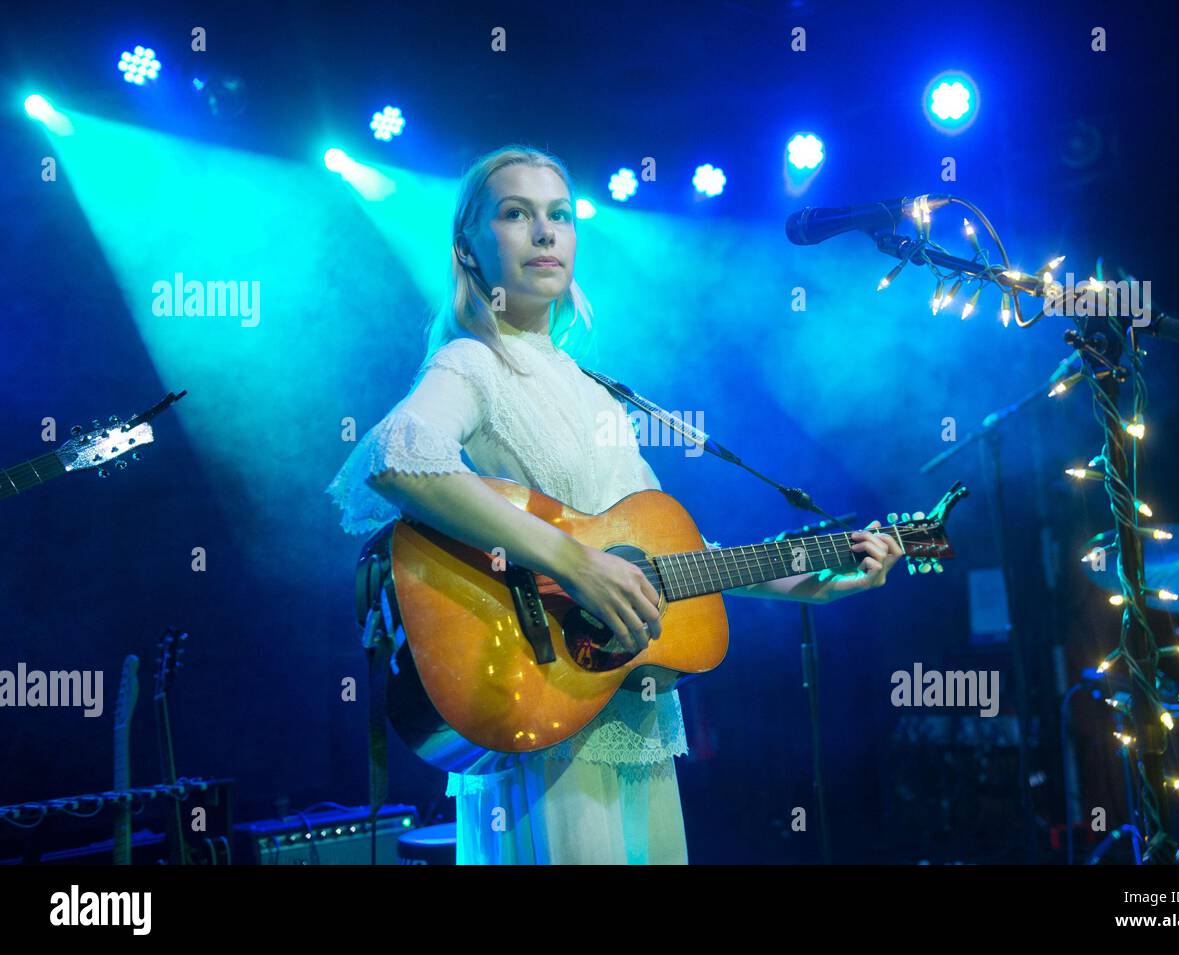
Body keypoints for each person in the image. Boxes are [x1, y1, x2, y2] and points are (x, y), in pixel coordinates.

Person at [326, 144, 903, 864]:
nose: (545, 232)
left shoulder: (595, 387)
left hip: (621, 712)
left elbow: (662, 565)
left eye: (560, 216)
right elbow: (397, 456)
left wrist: (813, 581)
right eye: (515, 214)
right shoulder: (472, 360)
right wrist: (573, 562)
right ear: (468, 248)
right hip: (541, 703)